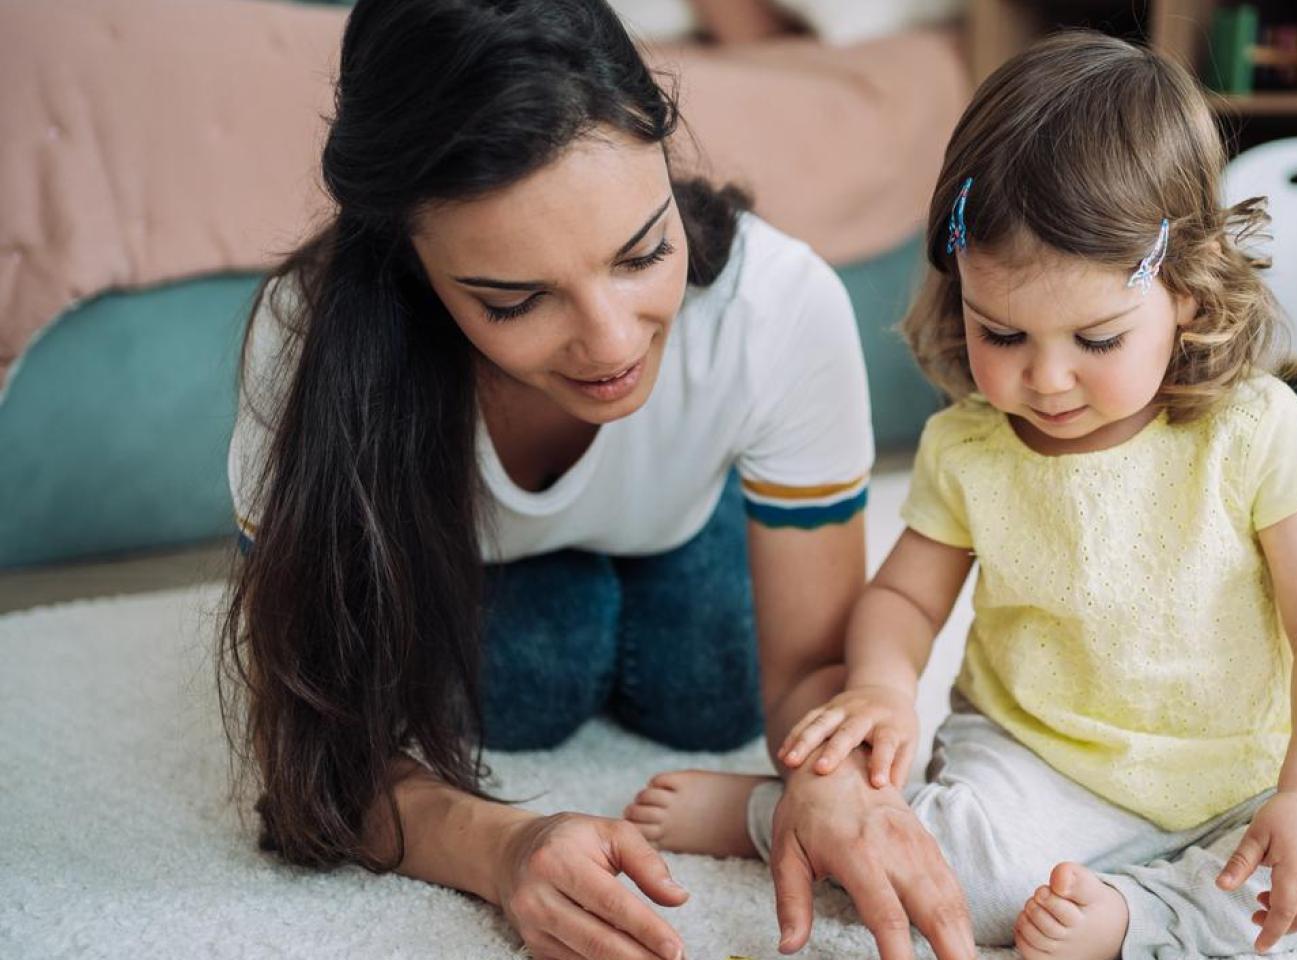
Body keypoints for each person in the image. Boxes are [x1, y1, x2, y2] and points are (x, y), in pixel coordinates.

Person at [626, 32, 1297, 960]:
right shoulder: (969, 446)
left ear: (1191, 299)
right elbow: (900, 598)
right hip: (1035, 765)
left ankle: (1141, 918)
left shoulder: (1254, 431)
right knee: (960, 876)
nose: (1045, 380)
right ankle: (785, 818)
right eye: (1000, 332)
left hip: (1241, 774)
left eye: (1096, 340)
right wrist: (886, 689)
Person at [218, 2, 976, 959]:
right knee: (530, 677)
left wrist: (837, 789)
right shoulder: (308, 349)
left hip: (683, 518)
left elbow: (815, 682)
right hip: (479, 562)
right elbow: (306, 748)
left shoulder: (777, 306)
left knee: (713, 689)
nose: (613, 347)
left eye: (643, 252)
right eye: (517, 300)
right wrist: (506, 847)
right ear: (408, 260)